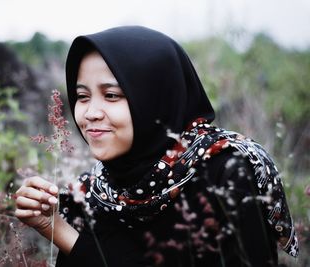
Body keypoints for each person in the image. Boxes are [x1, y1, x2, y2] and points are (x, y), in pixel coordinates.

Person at [15, 26, 298, 267]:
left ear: (155, 97)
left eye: (111, 95)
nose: (90, 113)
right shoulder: (95, 192)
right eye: (82, 96)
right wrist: (53, 226)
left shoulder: (225, 171)